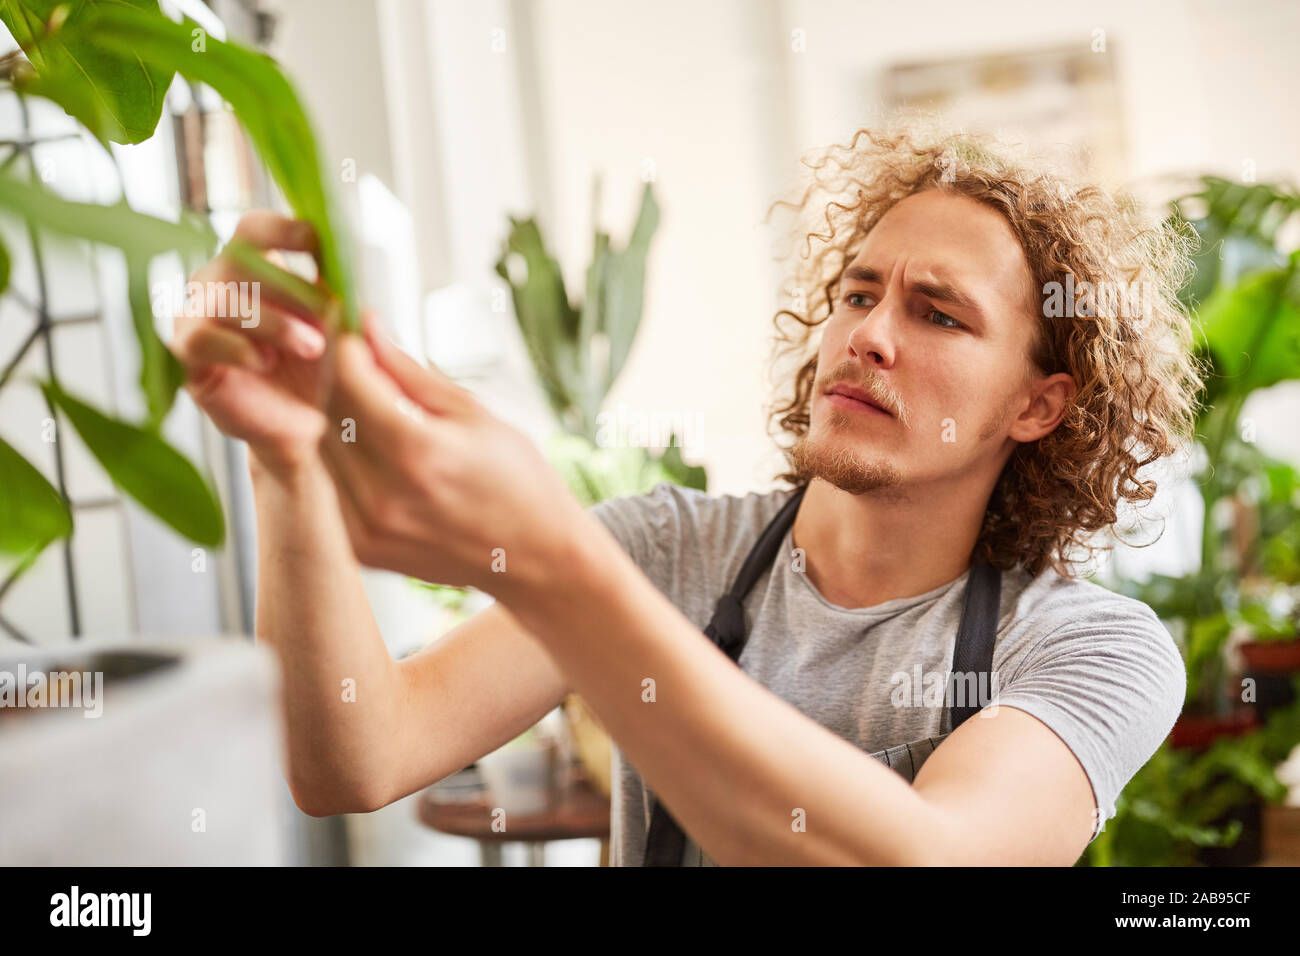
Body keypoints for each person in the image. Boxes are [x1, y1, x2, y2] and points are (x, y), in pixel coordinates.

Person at [170, 122, 1203, 866]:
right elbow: (356, 756)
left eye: (937, 314)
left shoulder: (1092, 649)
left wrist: (549, 559)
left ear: (1038, 403)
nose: (867, 334)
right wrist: (286, 455)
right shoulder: (662, 549)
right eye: (856, 292)